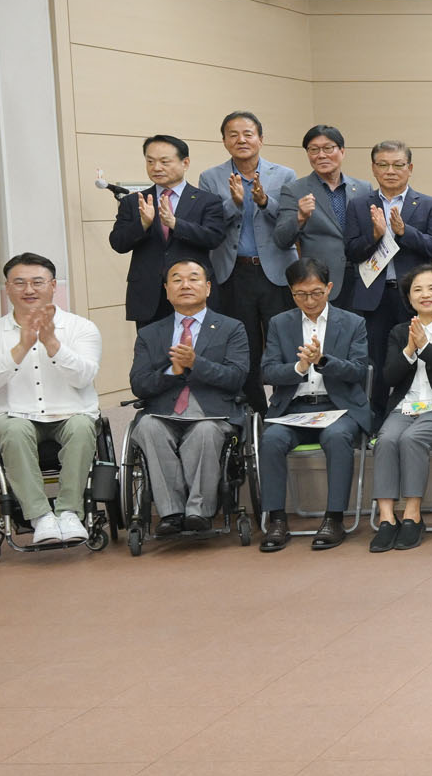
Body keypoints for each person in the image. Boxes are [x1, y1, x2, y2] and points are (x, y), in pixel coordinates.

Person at [0, 253, 103, 547]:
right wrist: (22, 346)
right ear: (7, 288)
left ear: (53, 286)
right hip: (13, 415)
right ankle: (41, 517)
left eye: (37, 282)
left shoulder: (82, 328)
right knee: (15, 430)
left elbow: (84, 377)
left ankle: (69, 513)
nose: (29, 289)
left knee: (82, 427)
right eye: (20, 283)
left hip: (72, 413)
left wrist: (52, 344)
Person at [256, 258, 373, 553]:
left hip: (338, 408)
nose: (309, 301)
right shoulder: (280, 323)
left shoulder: (352, 322)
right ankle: (277, 520)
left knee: (337, 436)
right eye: (301, 294)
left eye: (316, 293)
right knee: (271, 439)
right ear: (291, 292)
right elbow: (268, 371)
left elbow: (359, 370)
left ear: (329, 288)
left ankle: (334, 518)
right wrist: (298, 367)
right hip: (294, 409)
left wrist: (322, 361)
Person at [126, 260, 247, 535]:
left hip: (212, 413)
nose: (185, 285)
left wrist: (196, 364)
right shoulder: (149, 333)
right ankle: (171, 512)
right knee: (147, 427)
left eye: (193, 278)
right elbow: (139, 384)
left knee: (205, 431)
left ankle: (199, 511)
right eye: (177, 280)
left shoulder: (231, 328)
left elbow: (236, 377)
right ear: (167, 290)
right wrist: (172, 371)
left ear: (208, 288)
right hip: (164, 412)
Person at [369, 264, 432, 552]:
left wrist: (426, 347)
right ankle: (386, 518)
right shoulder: (399, 331)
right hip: (406, 406)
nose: (425, 294)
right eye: (417, 290)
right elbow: (389, 377)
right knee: (386, 439)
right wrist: (409, 350)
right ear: (409, 297)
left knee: (412, 439)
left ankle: (412, 514)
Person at [199, 110, 297, 410]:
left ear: (261, 139)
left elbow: (290, 221)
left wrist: (265, 201)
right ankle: (255, 412)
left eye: (248, 134)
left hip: (276, 272)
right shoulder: (210, 177)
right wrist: (235, 203)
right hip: (233, 273)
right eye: (233, 135)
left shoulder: (284, 175)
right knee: (245, 346)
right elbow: (209, 225)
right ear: (224, 141)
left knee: (283, 343)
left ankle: (286, 409)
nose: (241, 140)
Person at [344, 141, 432, 414]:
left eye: (398, 165)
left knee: (416, 356)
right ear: (373, 168)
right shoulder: (359, 205)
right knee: (377, 361)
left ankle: (419, 411)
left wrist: (404, 232)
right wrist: (375, 235)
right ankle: (377, 421)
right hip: (374, 297)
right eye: (383, 165)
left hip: (414, 298)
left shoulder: (429, 204)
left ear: (409, 168)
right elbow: (351, 251)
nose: (390, 171)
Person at [110, 134, 231, 329]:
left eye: (164, 161)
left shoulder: (207, 200)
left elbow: (214, 237)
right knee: (152, 347)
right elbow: (118, 243)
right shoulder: (133, 202)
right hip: (149, 295)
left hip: (191, 290)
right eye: (150, 161)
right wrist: (143, 224)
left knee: (197, 346)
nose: (156, 168)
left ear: (185, 163)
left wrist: (175, 223)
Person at [273, 125, 373, 303]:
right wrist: (300, 217)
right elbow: (281, 239)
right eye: (314, 149)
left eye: (328, 148)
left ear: (342, 151)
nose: (321, 155)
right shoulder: (294, 190)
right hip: (321, 281)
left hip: (363, 278)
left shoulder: (363, 188)